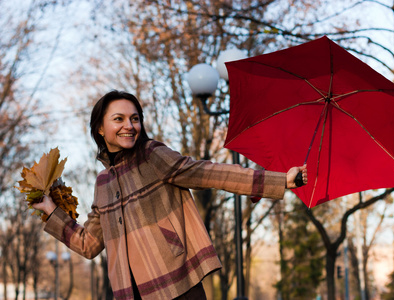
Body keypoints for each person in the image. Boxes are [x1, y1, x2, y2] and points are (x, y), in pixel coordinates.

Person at [33, 90, 307, 300]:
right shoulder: (102, 182)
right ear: (100, 129)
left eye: (135, 118)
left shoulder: (152, 155)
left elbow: (206, 173)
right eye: (119, 119)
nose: (130, 125)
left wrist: (280, 180)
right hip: (130, 293)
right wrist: (50, 210)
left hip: (177, 283)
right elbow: (89, 244)